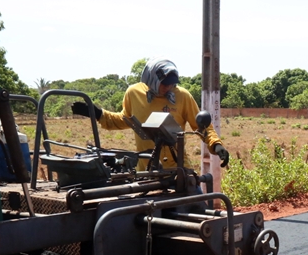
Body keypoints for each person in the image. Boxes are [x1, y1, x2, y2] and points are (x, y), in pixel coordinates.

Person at [71, 58, 229, 172]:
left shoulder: (182, 96)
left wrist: (216, 145)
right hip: (146, 171)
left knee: (196, 205)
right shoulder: (134, 93)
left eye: (172, 84)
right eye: (164, 84)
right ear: (151, 78)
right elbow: (125, 120)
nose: (168, 87)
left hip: (177, 170)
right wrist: (97, 113)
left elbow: (201, 126)